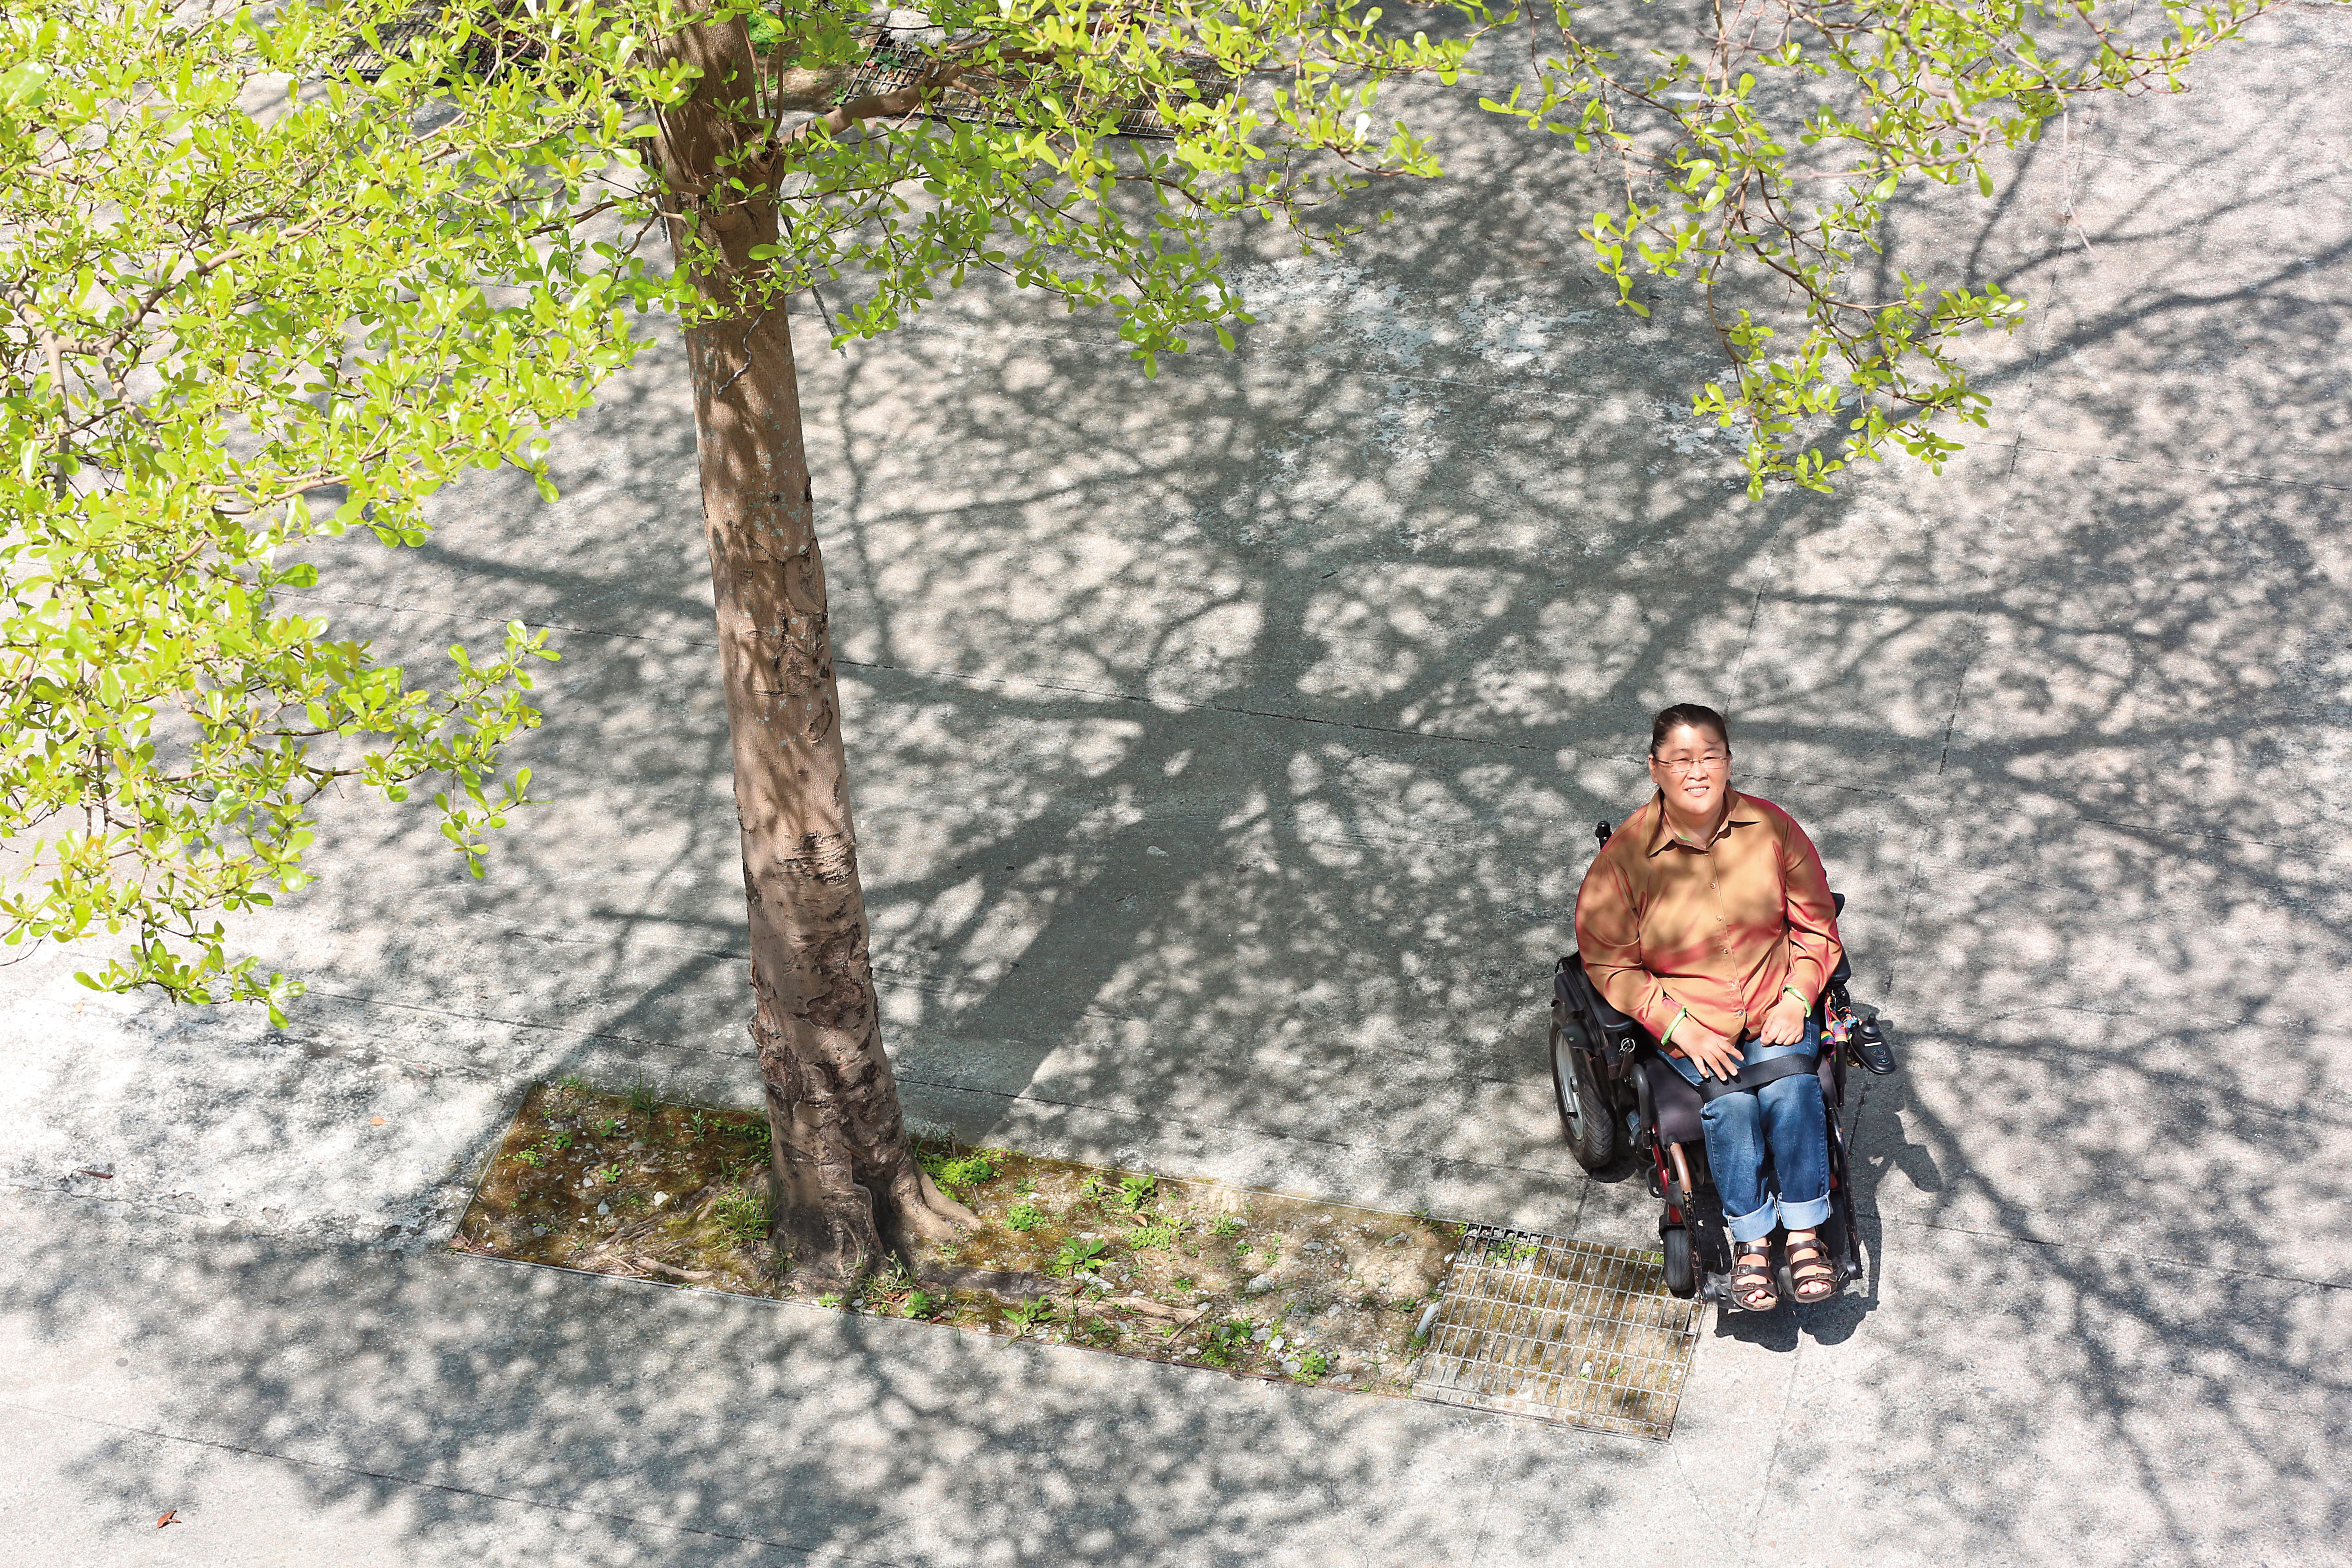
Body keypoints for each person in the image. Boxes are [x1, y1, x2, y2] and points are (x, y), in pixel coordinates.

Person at [1573, 703, 1842, 1310]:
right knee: (1733, 1105)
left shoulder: (1772, 829)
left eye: (1710, 757)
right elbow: (1610, 961)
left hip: (1776, 1002)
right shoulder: (1624, 860)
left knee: (1791, 1090)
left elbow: (1817, 925)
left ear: (1728, 762)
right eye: (1681, 761)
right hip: (1691, 1020)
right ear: (1655, 768)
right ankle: (1752, 1243)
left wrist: (1799, 997)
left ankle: (1803, 1235)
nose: (1698, 772)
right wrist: (1679, 1029)